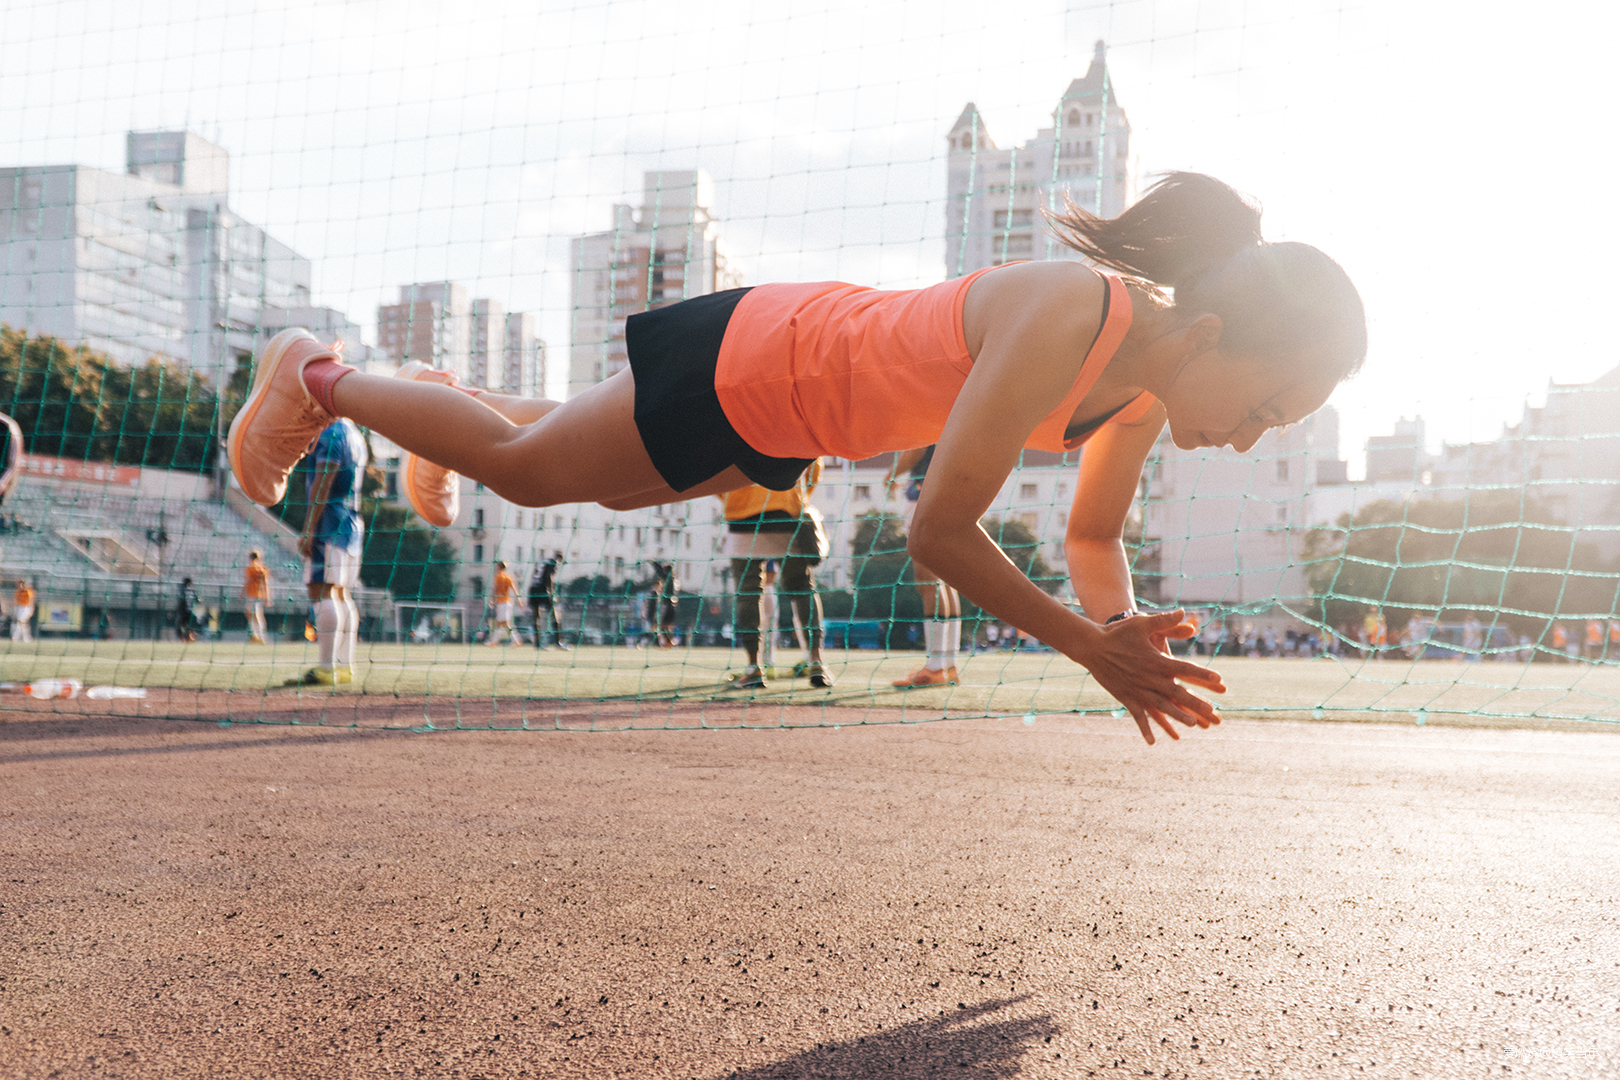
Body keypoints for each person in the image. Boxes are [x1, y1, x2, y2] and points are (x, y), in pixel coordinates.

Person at [228, 173, 1365, 744]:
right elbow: (937, 529)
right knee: (528, 471)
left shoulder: (1143, 394)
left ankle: (437, 403)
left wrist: (1124, 633)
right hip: (770, 358)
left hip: (796, 417)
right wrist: (1086, 649)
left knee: (606, 473)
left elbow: (1093, 536)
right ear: (1212, 335)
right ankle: (313, 377)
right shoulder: (1076, 311)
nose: (1255, 434)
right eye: (1268, 404)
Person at [720, 463, 832, 688]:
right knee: (801, 587)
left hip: (741, 514)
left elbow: (713, 469)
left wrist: (731, 499)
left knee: (747, 592)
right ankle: (816, 661)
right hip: (786, 511)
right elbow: (814, 463)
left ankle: (754, 667)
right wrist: (798, 497)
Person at [286, 418, 367, 686]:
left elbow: (324, 481)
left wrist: (309, 527)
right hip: (352, 522)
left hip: (330, 522)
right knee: (342, 593)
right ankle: (345, 666)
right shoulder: (355, 434)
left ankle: (326, 668)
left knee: (321, 590)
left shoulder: (330, 433)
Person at [887, 446, 962, 687]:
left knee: (927, 578)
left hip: (926, 492)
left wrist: (889, 475)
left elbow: (916, 448)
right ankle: (948, 664)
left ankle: (935, 667)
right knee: (947, 579)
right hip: (953, 492)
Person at [528, 554, 565, 649]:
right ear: (559, 559)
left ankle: (537, 644)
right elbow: (548, 576)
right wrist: (551, 593)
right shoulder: (553, 562)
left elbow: (534, 573)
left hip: (533, 589)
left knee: (536, 617)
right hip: (543, 589)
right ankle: (558, 642)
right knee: (554, 614)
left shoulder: (542, 560)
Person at [486, 560, 517, 646]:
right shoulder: (508, 577)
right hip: (508, 602)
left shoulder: (498, 577)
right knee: (500, 623)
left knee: (504, 623)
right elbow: (514, 589)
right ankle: (494, 641)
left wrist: (491, 599)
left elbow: (495, 589)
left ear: (499, 567)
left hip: (502, 603)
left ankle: (515, 640)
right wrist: (519, 600)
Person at [242, 550, 270, 644]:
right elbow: (266, 584)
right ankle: (256, 635)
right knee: (254, 614)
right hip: (259, 595)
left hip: (252, 594)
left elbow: (246, 581)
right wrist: (267, 597)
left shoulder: (250, 568)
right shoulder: (262, 567)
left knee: (255, 615)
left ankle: (260, 636)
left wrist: (241, 594)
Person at [10, 578, 35, 642]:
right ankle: (26, 637)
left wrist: (31, 609)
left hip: (26, 607)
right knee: (22, 622)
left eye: (21, 583)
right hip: (20, 607)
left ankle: (16, 637)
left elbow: (31, 600)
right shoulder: (17, 592)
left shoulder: (28, 591)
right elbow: (15, 601)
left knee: (20, 621)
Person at [176, 577, 200, 643]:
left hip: (183, 611)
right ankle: (191, 638)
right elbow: (197, 600)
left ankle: (182, 638)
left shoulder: (182, 589)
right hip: (190, 611)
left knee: (179, 625)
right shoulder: (192, 591)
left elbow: (181, 598)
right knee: (191, 626)